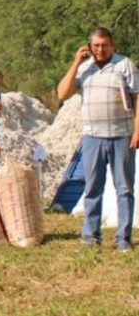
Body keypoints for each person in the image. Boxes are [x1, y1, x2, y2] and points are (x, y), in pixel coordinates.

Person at [57, 26, 139, 252]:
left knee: (124, 189)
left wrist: (137, 131)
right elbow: (62, 94)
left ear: (112, 45)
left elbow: (137, 97)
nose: (100, 49)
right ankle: (91, 237)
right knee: (93, 188)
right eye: (96, 45)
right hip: (92, 137)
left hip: (121, 136)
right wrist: (75, 62)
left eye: (104, 45)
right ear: (89, 46)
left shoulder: (124, 65)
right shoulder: (84, 69)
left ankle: (123, 238)